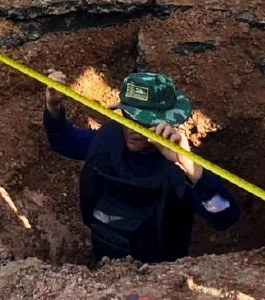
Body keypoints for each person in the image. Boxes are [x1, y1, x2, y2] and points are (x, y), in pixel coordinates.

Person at [42, 69, 240, 264]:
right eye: (129, 118)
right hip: (105, 264)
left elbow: (224, 215)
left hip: (160, 276)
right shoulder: (108, 139)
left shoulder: (178, 168)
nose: (132, 130)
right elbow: (64, 141)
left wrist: (191, 168)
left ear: (166, 121)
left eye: (145, 123)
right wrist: (53, 107)